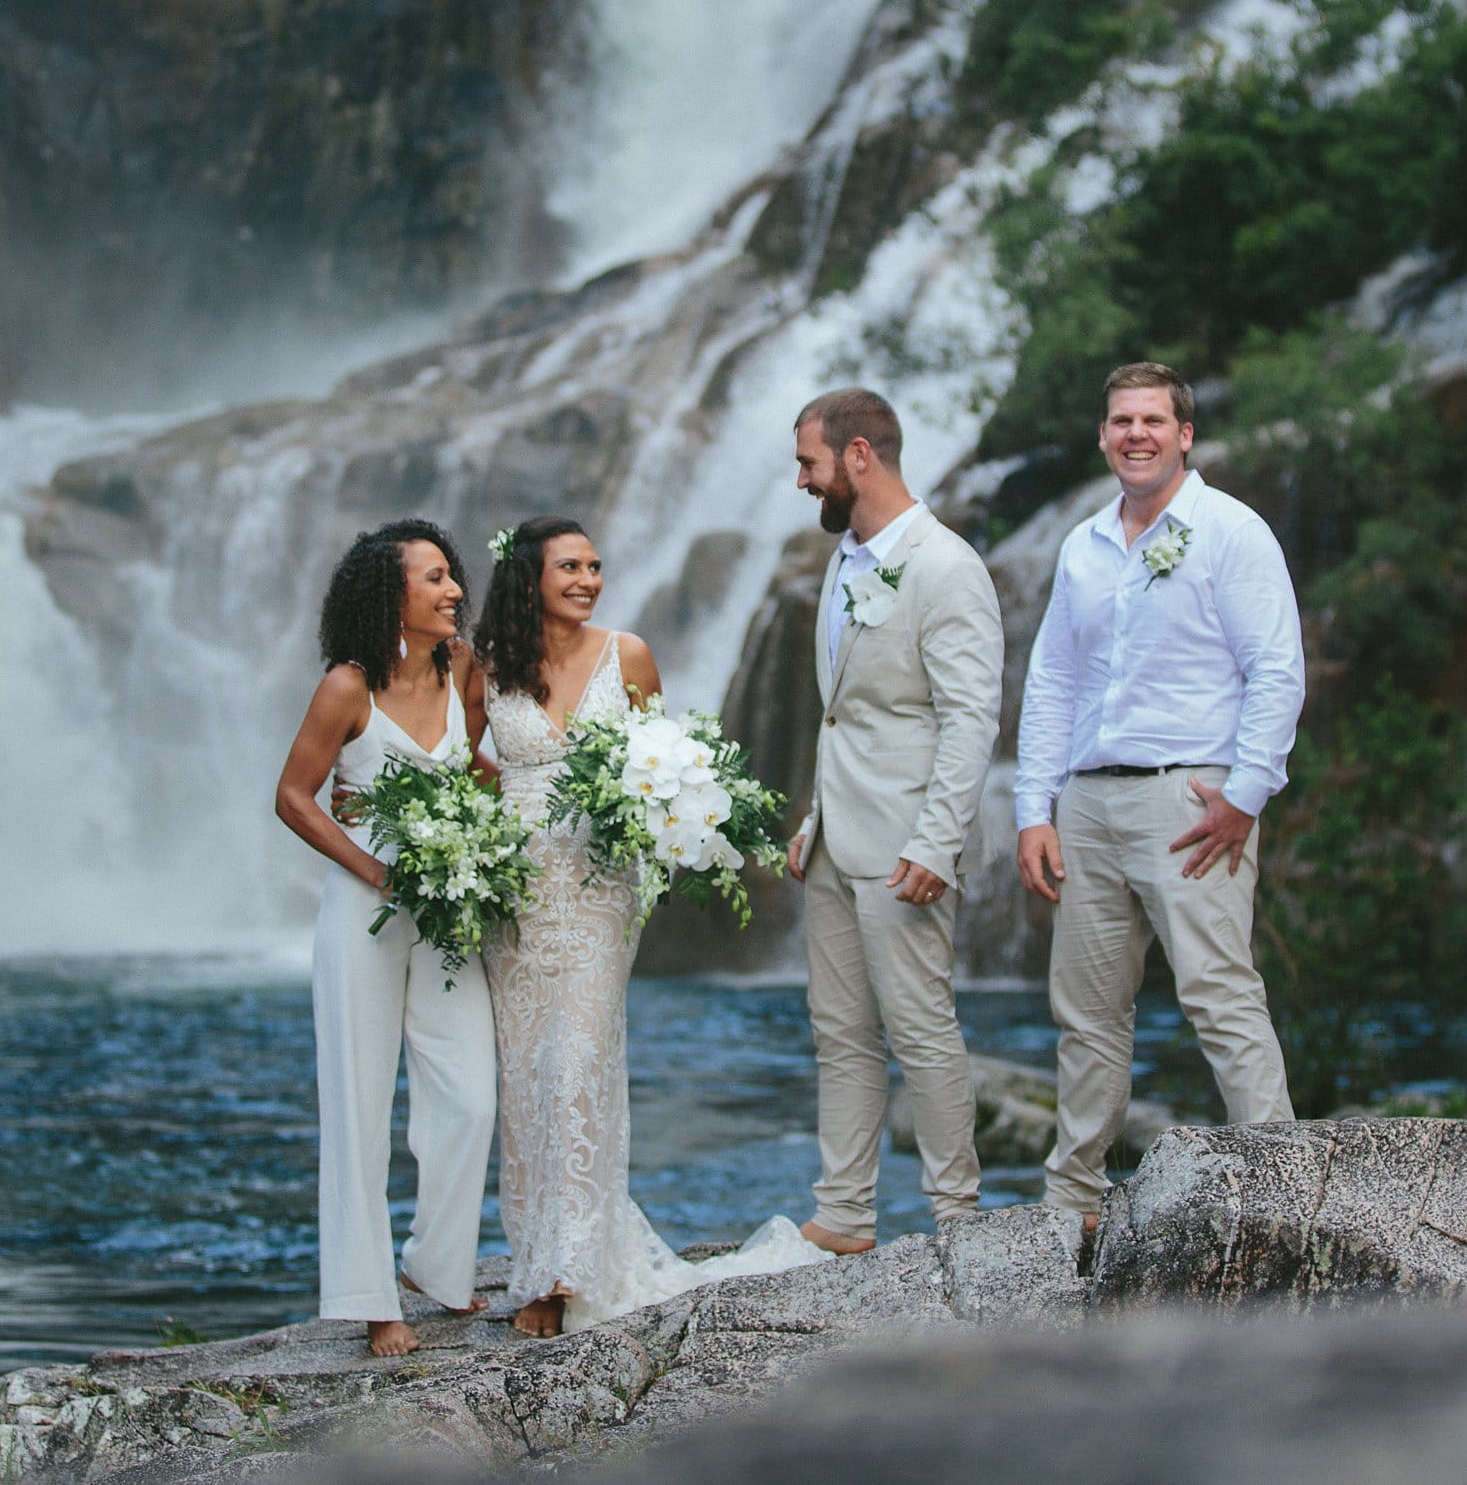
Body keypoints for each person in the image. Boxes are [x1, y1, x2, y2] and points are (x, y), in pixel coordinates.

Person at [470, 516, 824, 1336]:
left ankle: (566, 1275)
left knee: (581, 1057)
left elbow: (663, 756)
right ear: (529, 577)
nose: (589, 578)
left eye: (595, 565)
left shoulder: (625, 654)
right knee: (525, 1069)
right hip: (515, 893)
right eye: (569, 566)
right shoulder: (483, 666)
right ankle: (538, 1254)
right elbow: (456, 754)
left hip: (599, 886)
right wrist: (498, 805)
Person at [1013, 362, 1304, 1231]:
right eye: (1120, 421)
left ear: (1185, 434)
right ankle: (1075, 1202)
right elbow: (1052, 682)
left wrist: (1246, 795)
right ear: (1102, 436)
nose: (1135, 434)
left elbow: (1277, 671)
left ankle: (1287, 1187)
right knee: (1088, 1011)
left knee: (1219, 992)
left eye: (1152, 420)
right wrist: (1035, 806)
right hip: (1089, 804)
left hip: (1191, 798)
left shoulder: (1230, 531)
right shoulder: (1082, 544)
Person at [269, 520, 498, 1358]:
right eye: (434, 578)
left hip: (445, 905)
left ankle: (439, 1267)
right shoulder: (346, 687)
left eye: (452, 577)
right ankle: (372, 1301)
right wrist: (372, 867)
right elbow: (295, 797)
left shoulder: (461, 668)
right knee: (359, 1103)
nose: (452, 591)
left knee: (469, 1093)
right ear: (391, 593)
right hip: (363, 910)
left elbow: (478, 770)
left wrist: (484, 837)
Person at [784, 388, 1001, 1254]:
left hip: (908, 841)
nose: (801, 480)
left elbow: (970, 718)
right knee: (837, 1029)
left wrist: (936, 842)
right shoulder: (841, 560)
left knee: (920, 1026)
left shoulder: (947, 567)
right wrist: (813, 817)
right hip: (837, 837)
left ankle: (959, 1217)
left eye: (810, 463)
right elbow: (841, 711)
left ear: (859, 455)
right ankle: (844, 1214)